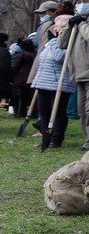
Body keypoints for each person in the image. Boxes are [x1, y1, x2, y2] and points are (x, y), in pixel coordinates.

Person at [33, 14, 76, 149]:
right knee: (44, 111)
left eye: (63, 27)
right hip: (44, 82)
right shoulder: (52, 42)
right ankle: (47, 136)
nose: (59, 29)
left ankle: (56, 139)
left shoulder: (70, 41)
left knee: (58, 112)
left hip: (60, 84)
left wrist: (51, 43)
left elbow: (60, 57)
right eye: (58, 26)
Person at [57, 0, 89, 150]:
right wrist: (69, 26)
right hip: (78, 74)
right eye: (79, 2)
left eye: (86, 2)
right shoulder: (76, 22)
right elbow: (61, 44)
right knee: (82, 110)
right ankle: (87, 139)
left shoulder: (84, 23)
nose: (82, 5)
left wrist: (82, 24)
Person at [12, 37, 37, 118]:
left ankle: (21, 113)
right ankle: (33, 113)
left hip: (22, 79)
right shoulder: (35, 55)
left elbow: (14, 66)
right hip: (33, 78)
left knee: (22, 98)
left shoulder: (21, 55)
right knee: (33, 97)